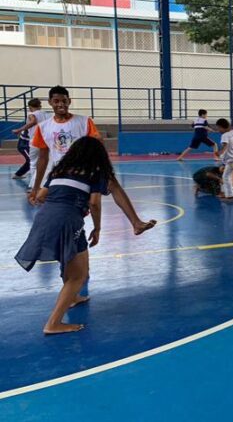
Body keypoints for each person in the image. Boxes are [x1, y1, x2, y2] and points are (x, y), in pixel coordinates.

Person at [16, 137, 114, 335]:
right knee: (78, 275)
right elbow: (94, 203)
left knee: (73, 259)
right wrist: (97, 228)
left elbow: (41, 197)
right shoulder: (96, 172)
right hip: (68, 220)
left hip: (44, 218)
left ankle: (74, 297)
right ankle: (53, 323)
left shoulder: (59, 171)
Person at [30, 85, 156, 236]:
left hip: (86, 168)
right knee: (45, 198)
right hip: (63, 172)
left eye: (64, 101)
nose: (60, 104)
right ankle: (61, 231)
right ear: (50, 102)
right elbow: (43, 158)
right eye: (56, 101)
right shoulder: (43, 127)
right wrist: (36, 186)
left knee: (113, 184)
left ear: (69, 101)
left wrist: (105, 167)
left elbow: (98, 145)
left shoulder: (84, 121)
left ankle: (136, 223)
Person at [12, 98, 51, 189]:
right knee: (46, 162)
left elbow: (33, 121)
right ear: (40, 106)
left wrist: (19, 130)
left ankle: (34, 185)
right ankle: (44, 183)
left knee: (33, 163)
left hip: (35, 141)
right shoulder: (47, 114)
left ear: (30, 107)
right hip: (46, 141)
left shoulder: (31, 114)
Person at [215, 118, 233, 201]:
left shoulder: (224, 135)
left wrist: (220, 152)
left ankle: (229, 195)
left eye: (218, 128)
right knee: (227, 175)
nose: (218, 130)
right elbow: (232, 130)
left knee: (225, 176)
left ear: (222, 127)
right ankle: (224, 192)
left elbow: (225, 146)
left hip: (231, 159)